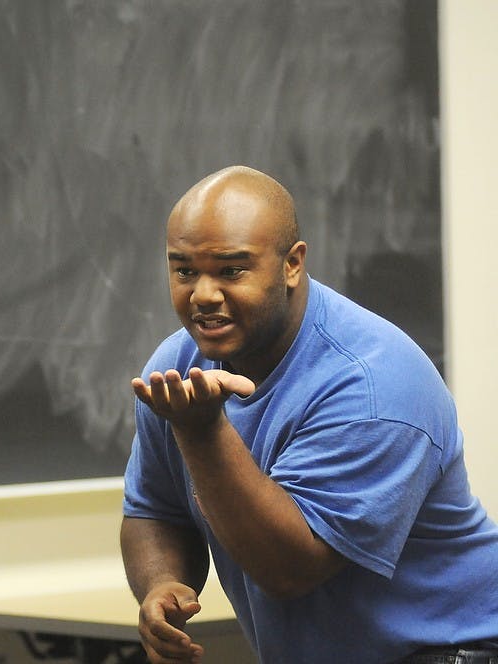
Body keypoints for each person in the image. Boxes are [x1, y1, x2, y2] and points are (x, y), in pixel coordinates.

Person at [120, 165, 498, 664]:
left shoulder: (372, 386)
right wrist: (162, 584)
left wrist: (202, 430)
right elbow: (155, 509)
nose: (203, 295)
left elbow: (289, 570)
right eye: (184, 270)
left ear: (292, 264)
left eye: (232, 270)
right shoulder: (179, 367)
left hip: (452, 649)